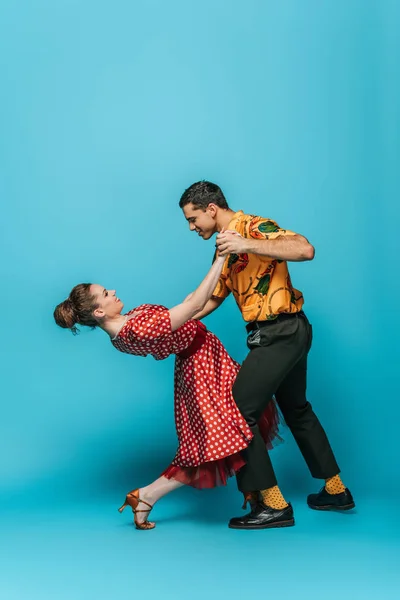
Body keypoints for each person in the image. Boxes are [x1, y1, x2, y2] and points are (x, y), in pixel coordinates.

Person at [53, 253, 280, 530]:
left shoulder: (123, 330)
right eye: (105, 293)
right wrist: (221, 259)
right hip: (202, 366)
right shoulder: (138, 329)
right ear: (98, 312)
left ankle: (148, 497)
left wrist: (213, 285)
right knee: (228, 433)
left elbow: (189, 308)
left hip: (202, 361)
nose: (112, 292)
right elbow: (194, 305)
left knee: (227, 433)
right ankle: (260, 498)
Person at [179, 180, 355, 530]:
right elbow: (212, 297)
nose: (191, 227)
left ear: (211, 209)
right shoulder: (222, 248)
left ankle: (273, 504)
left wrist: (245, 242)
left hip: (281, 332)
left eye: (193, 218)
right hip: (280, 334)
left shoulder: (252, 227)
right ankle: (336, 492)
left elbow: (305, 250)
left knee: (236, 412)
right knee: (297, 409)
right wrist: (170, 323)